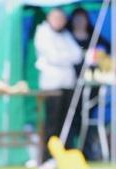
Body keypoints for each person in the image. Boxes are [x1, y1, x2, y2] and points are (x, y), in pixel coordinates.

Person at [34, 8, 83, 161]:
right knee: (52, 122)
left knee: (66, 121)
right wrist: (66, 57)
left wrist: (65, 57)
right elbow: (53, 57)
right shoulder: (42, 33)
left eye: (61, 18)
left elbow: (78, 55)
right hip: (51, 84)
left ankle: (65, 154)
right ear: (49, 18)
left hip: (67, 83)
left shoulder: (66, 35)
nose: (59, 21)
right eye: (56, 18)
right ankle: (48, 156)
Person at [69, 6, 110, 160]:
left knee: (89, 118)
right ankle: (72, 150)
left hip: (92, 84)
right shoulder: (68, 36)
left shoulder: (95, 37)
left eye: (82, 19)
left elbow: (107, 49)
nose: (79, 22)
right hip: (73, 83)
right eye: (77, 19)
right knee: (74, 118)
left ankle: (88, 151)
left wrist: (98, 55)